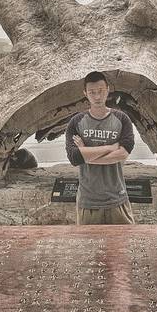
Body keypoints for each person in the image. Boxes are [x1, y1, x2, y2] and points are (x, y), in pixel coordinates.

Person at [65, 71, 135, 225]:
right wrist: (111, 147)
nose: (97, 96)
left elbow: (122, 154)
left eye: (101, 91)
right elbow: (74, 157)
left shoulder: (122, 119)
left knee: (126, 240)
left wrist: (86, 155)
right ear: (85, 93)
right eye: (92, 92)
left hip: (118, 199)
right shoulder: (76, 122)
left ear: (108, 90)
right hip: (88, 202)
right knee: (87, 241)